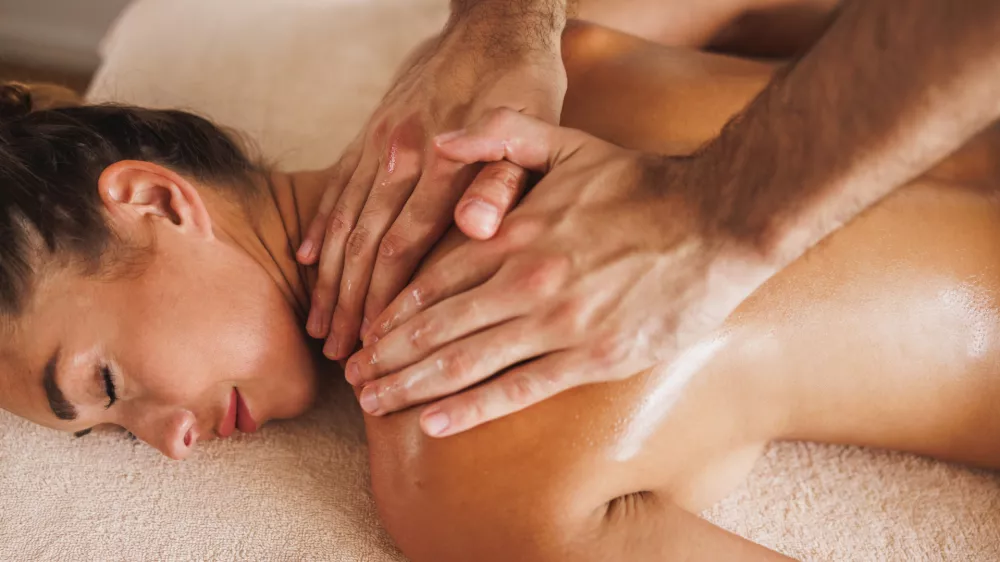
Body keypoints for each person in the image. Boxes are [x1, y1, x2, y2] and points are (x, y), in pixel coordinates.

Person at [3, 20, 1000, 560]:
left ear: (155, 201)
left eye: (103, 384)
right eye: (109, 432)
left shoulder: (456, 458)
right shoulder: (563, 50)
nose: (167, 443)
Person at [300, 0, 1000, 438]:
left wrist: (710, 215)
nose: (186, 441)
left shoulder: (451, 453)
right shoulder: (563, 55)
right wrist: (499, 23)